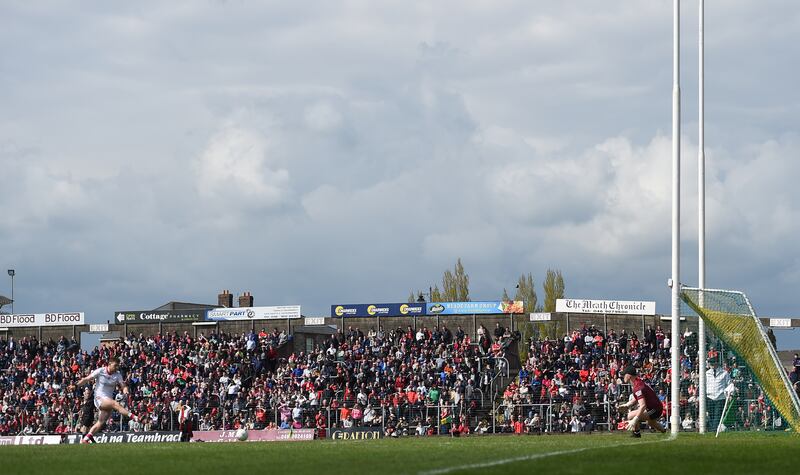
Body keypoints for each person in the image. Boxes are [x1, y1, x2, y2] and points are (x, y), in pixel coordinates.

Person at [76, 356, 140, 444]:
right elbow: (86, 379)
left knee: (101, 422)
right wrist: (76, 386)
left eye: (118, 366)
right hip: (99, 398)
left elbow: (123, 385)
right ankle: (134, 417)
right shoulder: (100, 371)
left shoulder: (117, 375)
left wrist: (126, 391)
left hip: (108, 400)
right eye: (115, 366)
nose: (116, 368)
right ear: (109, 364)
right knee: (115, 404)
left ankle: (85, 439)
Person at [621, 366, 666, 437]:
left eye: (624, 375)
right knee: (651, 423)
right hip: (656, 407)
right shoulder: (637, 382)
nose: (623, 376)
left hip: (654, 409)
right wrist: (628, 404)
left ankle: (636, 434)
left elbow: (643, 405)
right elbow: (639, 397)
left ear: (629, 376)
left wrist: (635, 419)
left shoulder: (637, 387)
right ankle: (664, 431)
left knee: (630, 416)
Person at [705, 360, 731, 431]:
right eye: (710, 363)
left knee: (717, 415)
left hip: (720, 397)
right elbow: (704, 385)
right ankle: (712, 430)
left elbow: (729, 384)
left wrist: (729, 393)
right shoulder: (707, 373)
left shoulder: (724, 373)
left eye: (713, 362)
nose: (712, 364)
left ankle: (714, 431)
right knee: (711, 415)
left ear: (717, 363)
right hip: (709, 397)